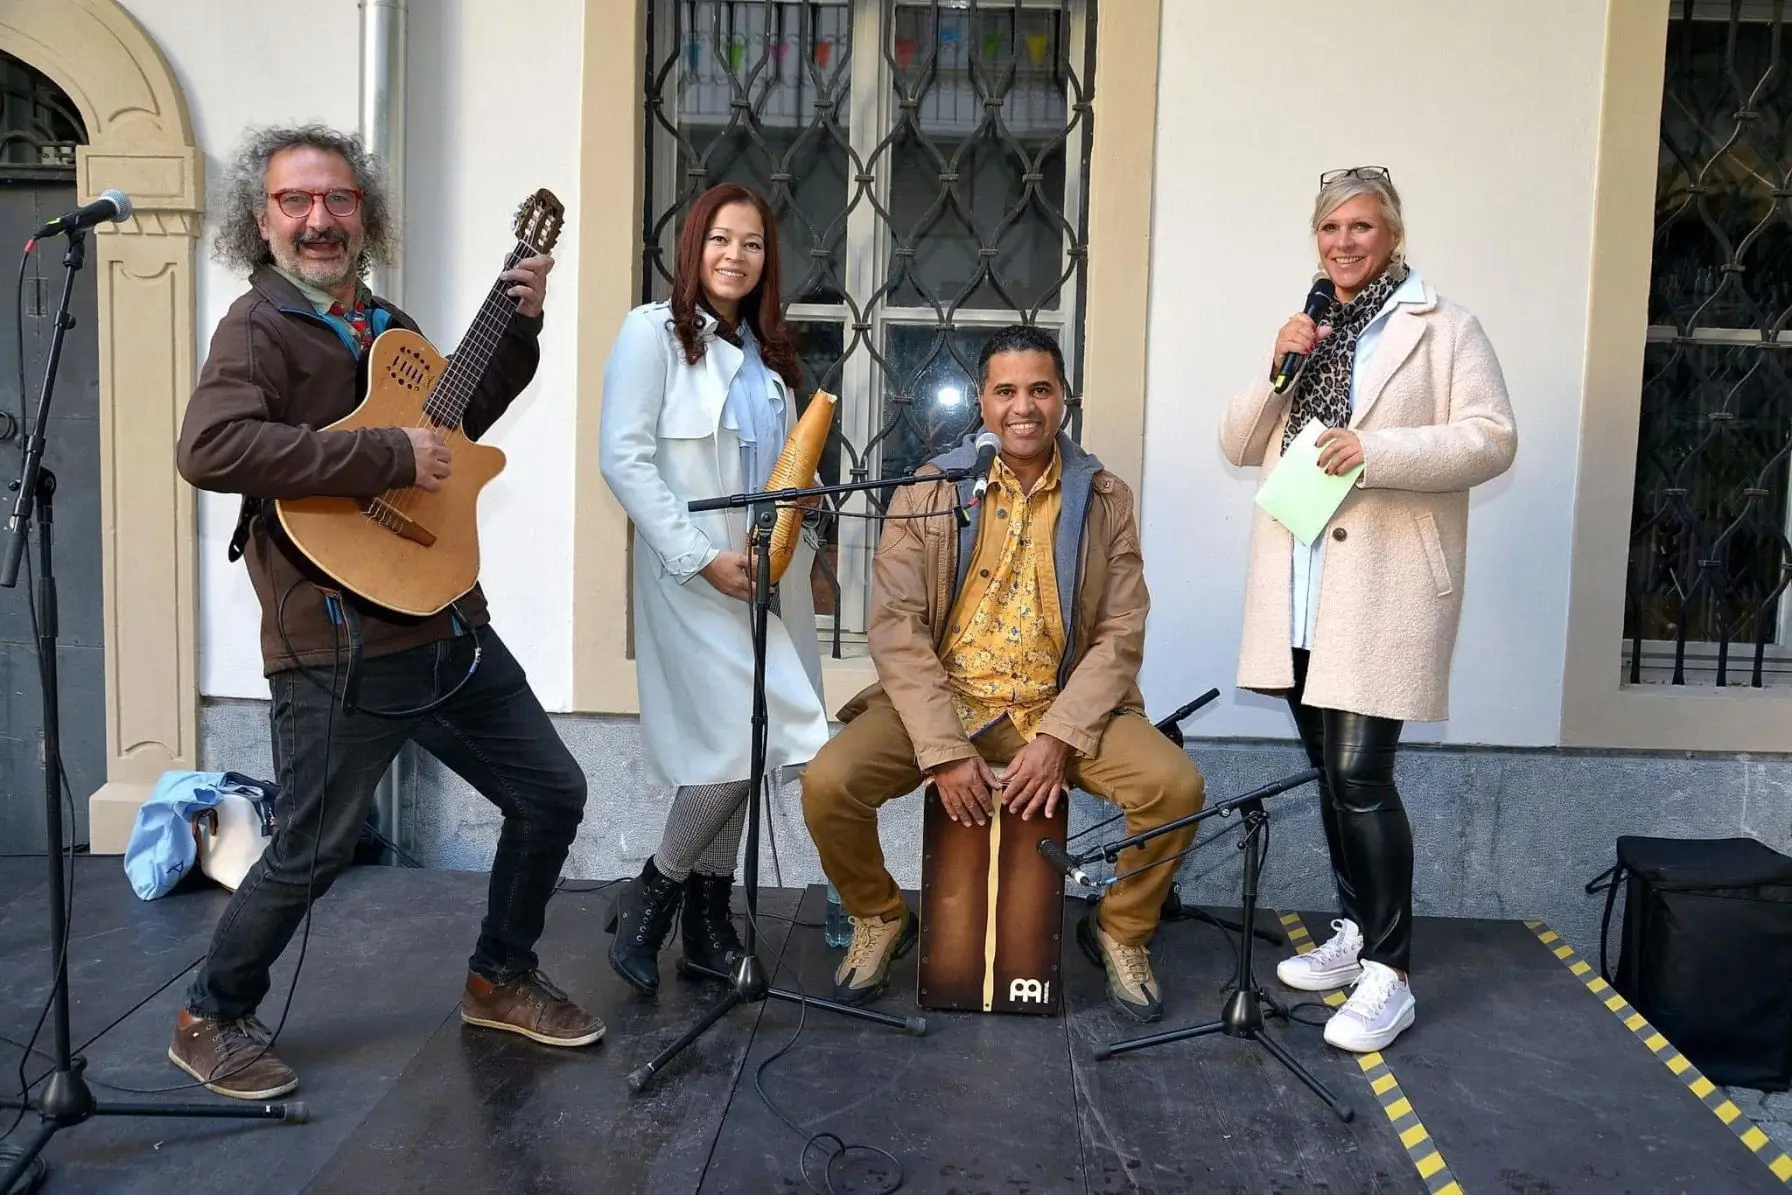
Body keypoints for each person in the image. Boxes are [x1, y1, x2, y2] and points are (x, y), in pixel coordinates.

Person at [171, 125, 602, 1100]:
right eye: (295, 201)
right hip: (334, 639)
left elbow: (454, 426)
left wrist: (520, 326)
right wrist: (384, 457)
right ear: (261, 221)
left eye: (339, 198)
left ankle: (498, 976)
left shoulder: (386, 324)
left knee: (551, 791)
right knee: (314, 847)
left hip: (442, 618)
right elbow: (211, 447)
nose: (319, 218)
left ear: (364, 213)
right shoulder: (257, 328)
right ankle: (210, 1014)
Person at [801, 326, 1206, 1023]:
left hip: (1058, 704)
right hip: (945, 700)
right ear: (983, 402)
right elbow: (895, 627)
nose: (1024, 407)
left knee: (1176, 788)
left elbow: (1121, 629)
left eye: (1040, 389)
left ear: (1063, 397)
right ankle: (880, 915)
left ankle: (1121, 928)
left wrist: (1060, 737)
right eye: (1007, 391)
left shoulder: (1104, 497)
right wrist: (942, 748)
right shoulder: (931, 489)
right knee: (829, 783)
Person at [1219, 166, 1516, 1052]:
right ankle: (1355, 933)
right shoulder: (1307, 328)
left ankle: (1391, 973)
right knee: (1329, 772)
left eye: (1361, 226)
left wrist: (1375, 449)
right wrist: (1278, 366)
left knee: (1360, 776)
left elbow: (1492, 439)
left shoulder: (1445, 326)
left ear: (1392, 235)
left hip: (1385, 588)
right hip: (1300, 585)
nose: (1344, 242)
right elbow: (1237, 441)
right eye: (1330, 228)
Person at [597, 182, 830, 995]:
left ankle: (705, 923)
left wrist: (809, 512)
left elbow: (779, 467)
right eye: (721, 239)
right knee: (738, 741)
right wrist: (702, 558)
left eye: (753, 243)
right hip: (693, 578)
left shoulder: (770, 357)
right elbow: (624, 460)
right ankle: (654, 890)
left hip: (765, 577)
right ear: (693, 247)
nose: (736, 255)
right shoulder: (651, 333)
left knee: (748, 738)